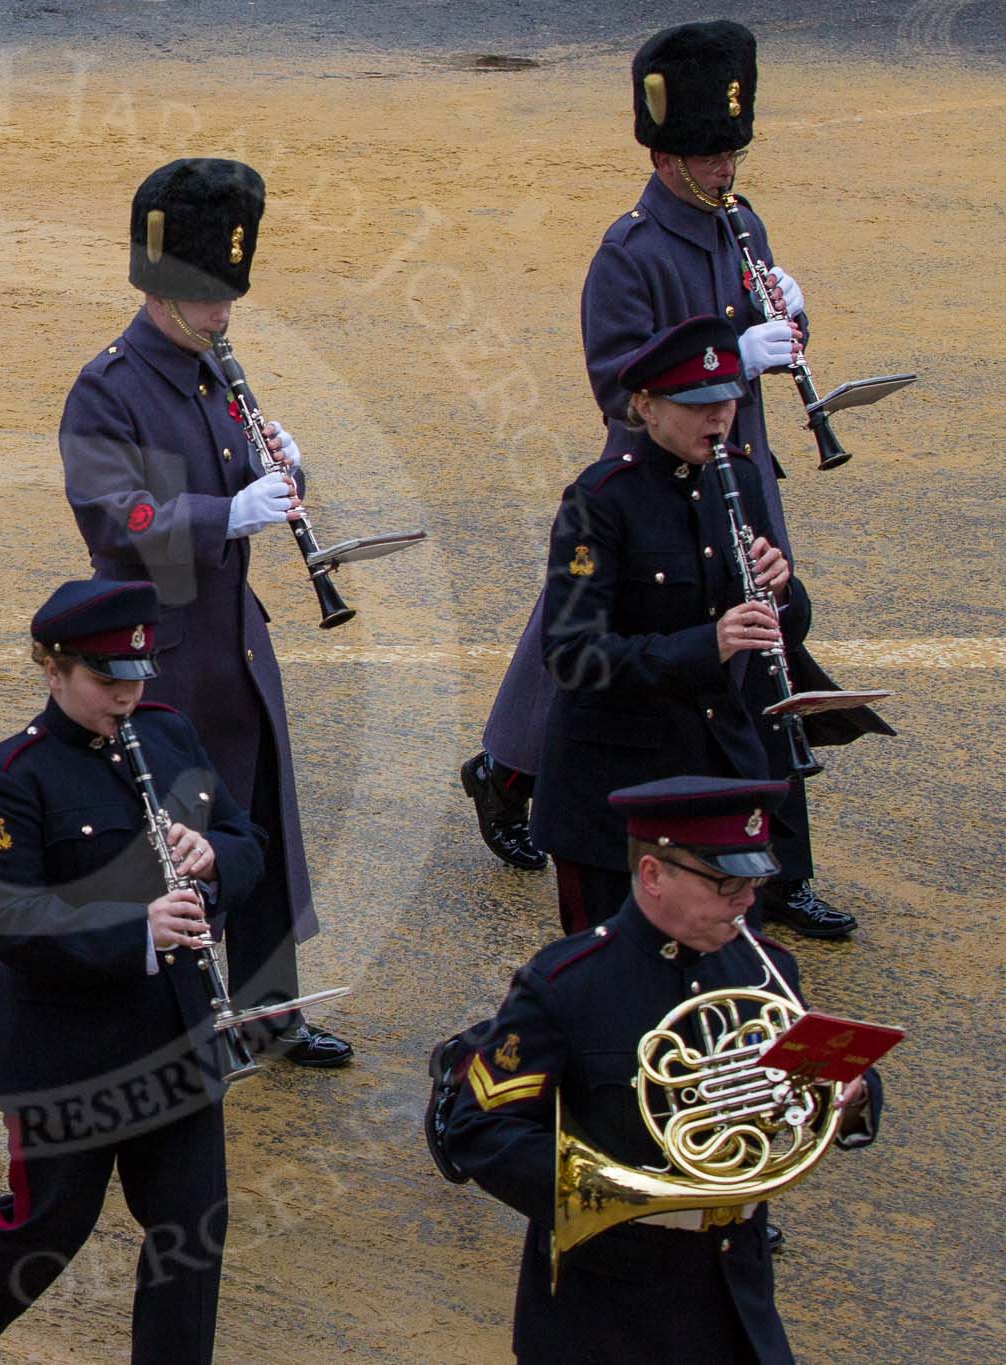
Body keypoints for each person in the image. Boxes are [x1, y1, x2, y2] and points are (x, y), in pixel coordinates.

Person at [465, 21, 870, 938]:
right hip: (654, 467)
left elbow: (747, 304)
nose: (723, 170)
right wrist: (736, 352)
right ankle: (512, 766)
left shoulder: (742, 220)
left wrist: (784, 321)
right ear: (663, 152)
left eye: (730, 152)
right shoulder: (632, 250)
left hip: (738, 464)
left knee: (760, 641)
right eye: (706, 154)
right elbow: (615, 382)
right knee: (614, 631)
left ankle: (780, 864)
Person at [0, 579, 267, 1365]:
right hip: (69, 1053)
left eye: (135, 678)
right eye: (106, 681)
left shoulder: (166, 735)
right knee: (49, 1224)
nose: (126, 697)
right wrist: (139, 927)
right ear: (52, 670)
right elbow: (10, 923)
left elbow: (243, 837)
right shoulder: (14, 775)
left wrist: (214, 860)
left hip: (176, 1035)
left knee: (192, 1231)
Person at [56, 156, 351, 1068]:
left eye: (229, 295)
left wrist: (280, 472)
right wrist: (233, 510)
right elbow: (118, 519)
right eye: (208, 296)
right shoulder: (107, 388)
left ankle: (271, 1009)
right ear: (160, 287)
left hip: (232, 641)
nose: (224, 314)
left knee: (252, 823)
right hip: (163, 652)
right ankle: (179, 1022)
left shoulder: (213, 369)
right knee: (174, 841)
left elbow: (241, 478)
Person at [437, 775, 883, 1364]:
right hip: (606, 1312)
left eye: (755, 880)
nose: (747, 899)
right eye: (727, 882)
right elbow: (479, 1128)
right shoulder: (566, 984)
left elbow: (812, 1079)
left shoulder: (764, 969)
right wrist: (608, 1194)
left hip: (736, 1297)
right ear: (653, 875)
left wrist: (848, 1095)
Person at [527, 315, 882, 933]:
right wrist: (707, 645)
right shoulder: (600, 501)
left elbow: (783, 624)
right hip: (615, 793)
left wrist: (784, 591)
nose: (718, 418)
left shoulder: (739, 476)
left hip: (713, 777)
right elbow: (571, 655)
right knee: (616, 986)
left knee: (717, 972)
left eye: (727, 401)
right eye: (697, 404)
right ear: (645, 406)